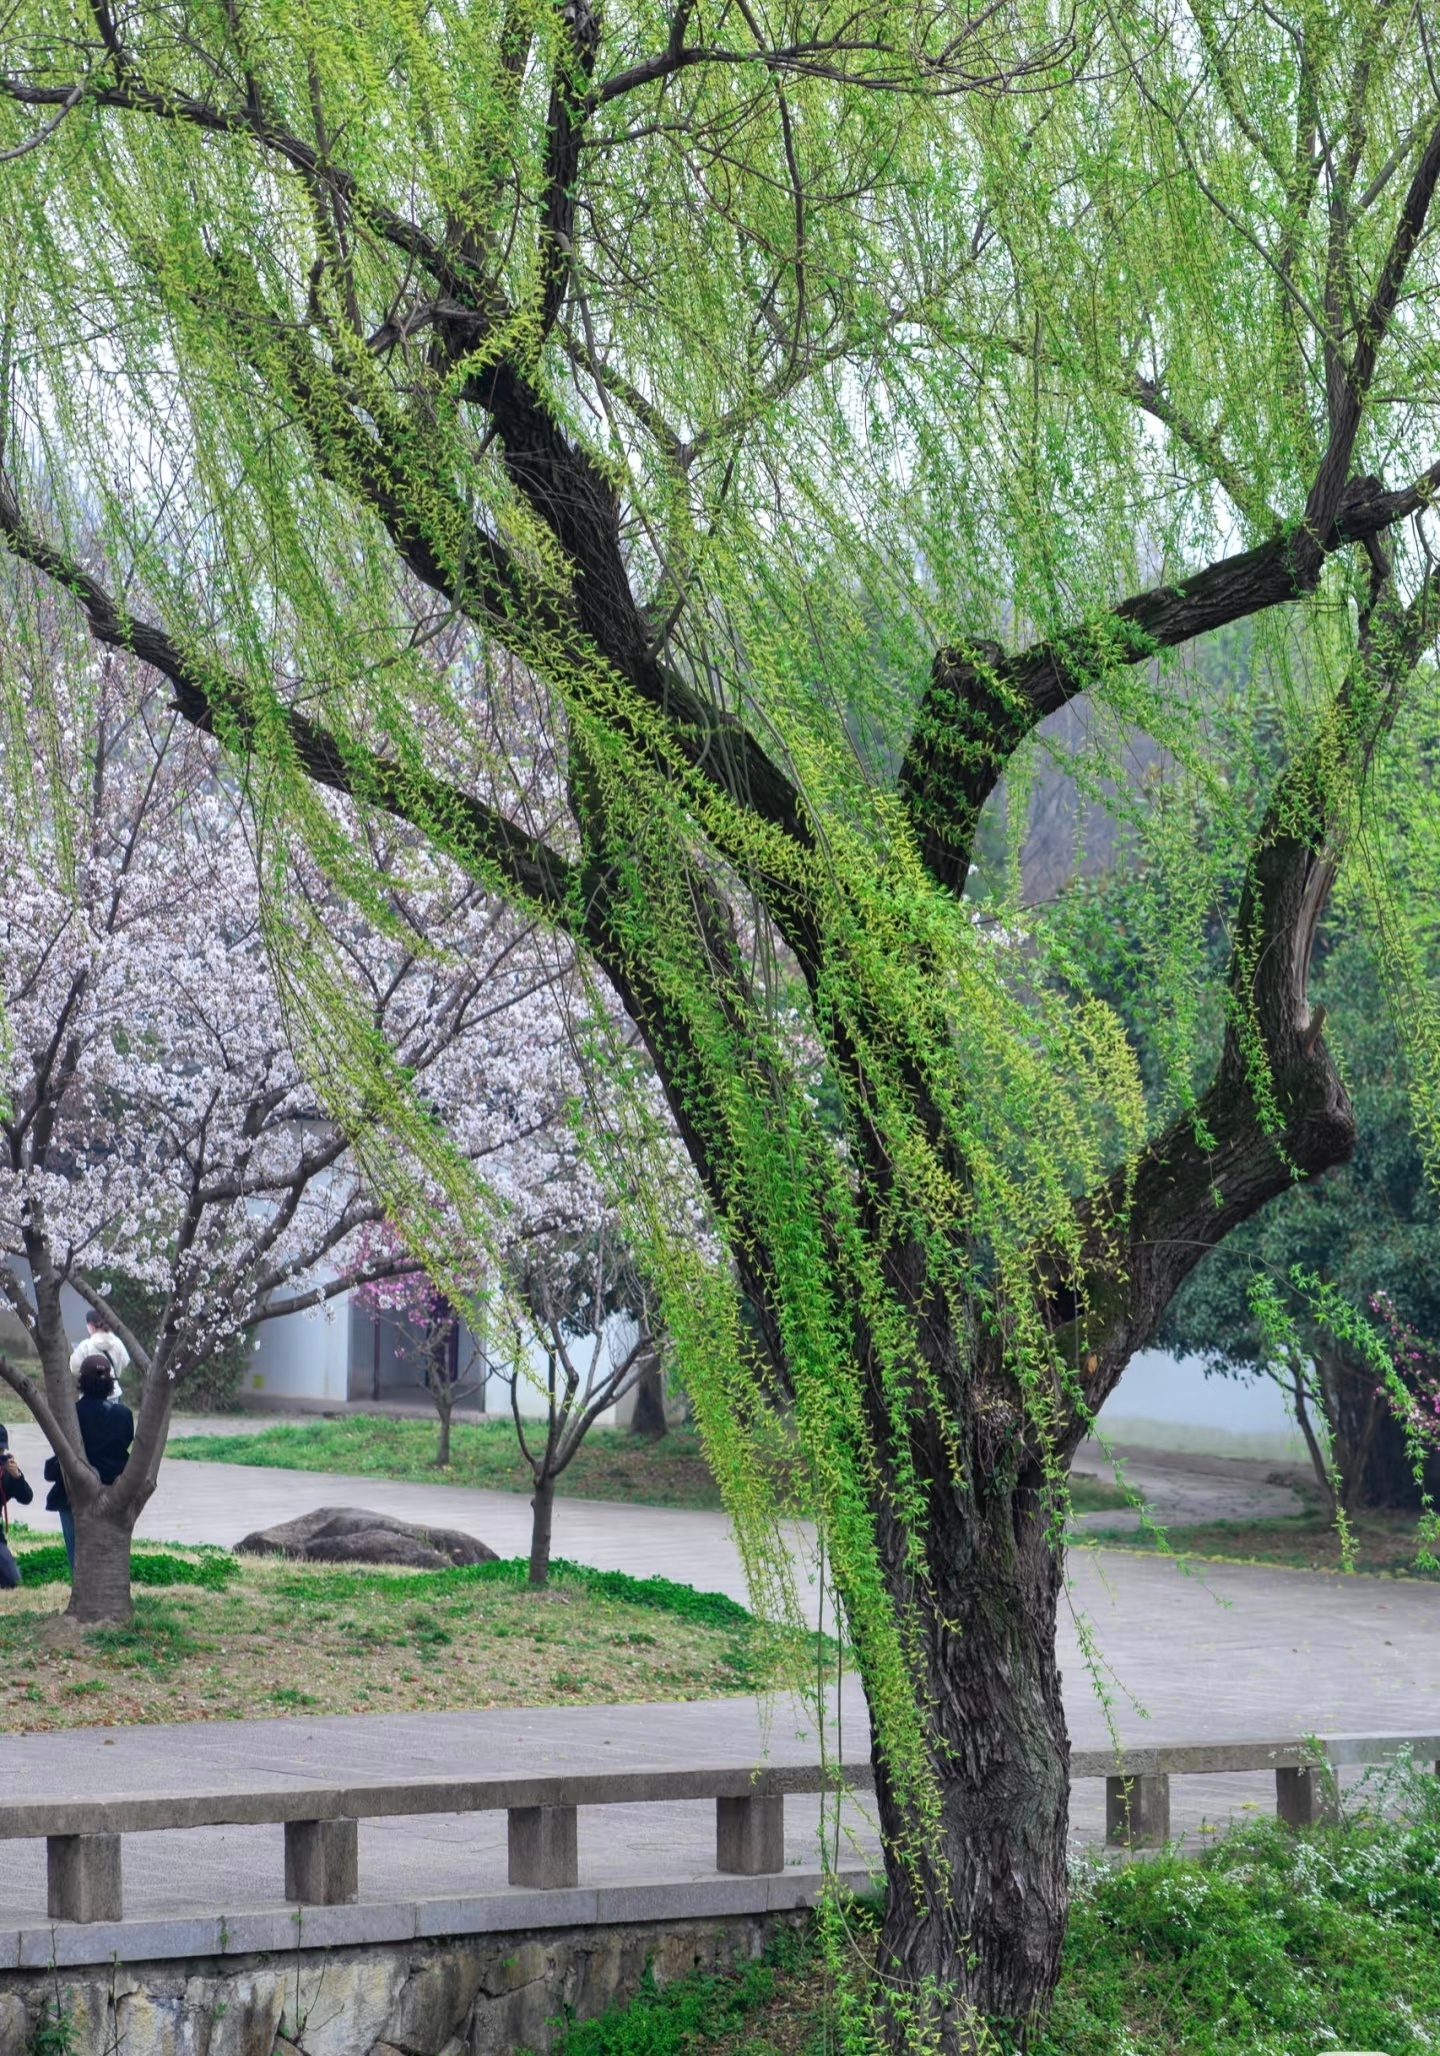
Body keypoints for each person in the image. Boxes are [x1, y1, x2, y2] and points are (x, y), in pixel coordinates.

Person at [44, 1357, 135, 1570]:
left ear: (82, 1382)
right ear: (111, 1383)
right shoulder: (123, 1416)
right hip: (113, 1492)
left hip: (71, 1493)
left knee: (78, 1557)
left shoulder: (71, 1415)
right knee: (109, 1557)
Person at [0, 1423, 33, 1589]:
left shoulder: (6, 1473)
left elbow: (26, 1498)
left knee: (13, 1581)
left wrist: (17, 1476)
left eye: (1, 1452)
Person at [68, 1308, 131, 1385]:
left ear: (90, 1325)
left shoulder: (85, 1346)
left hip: (93, 1391)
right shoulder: (117, 1342)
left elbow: (74, 1368)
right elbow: (125, 1362)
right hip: (114, 1390)